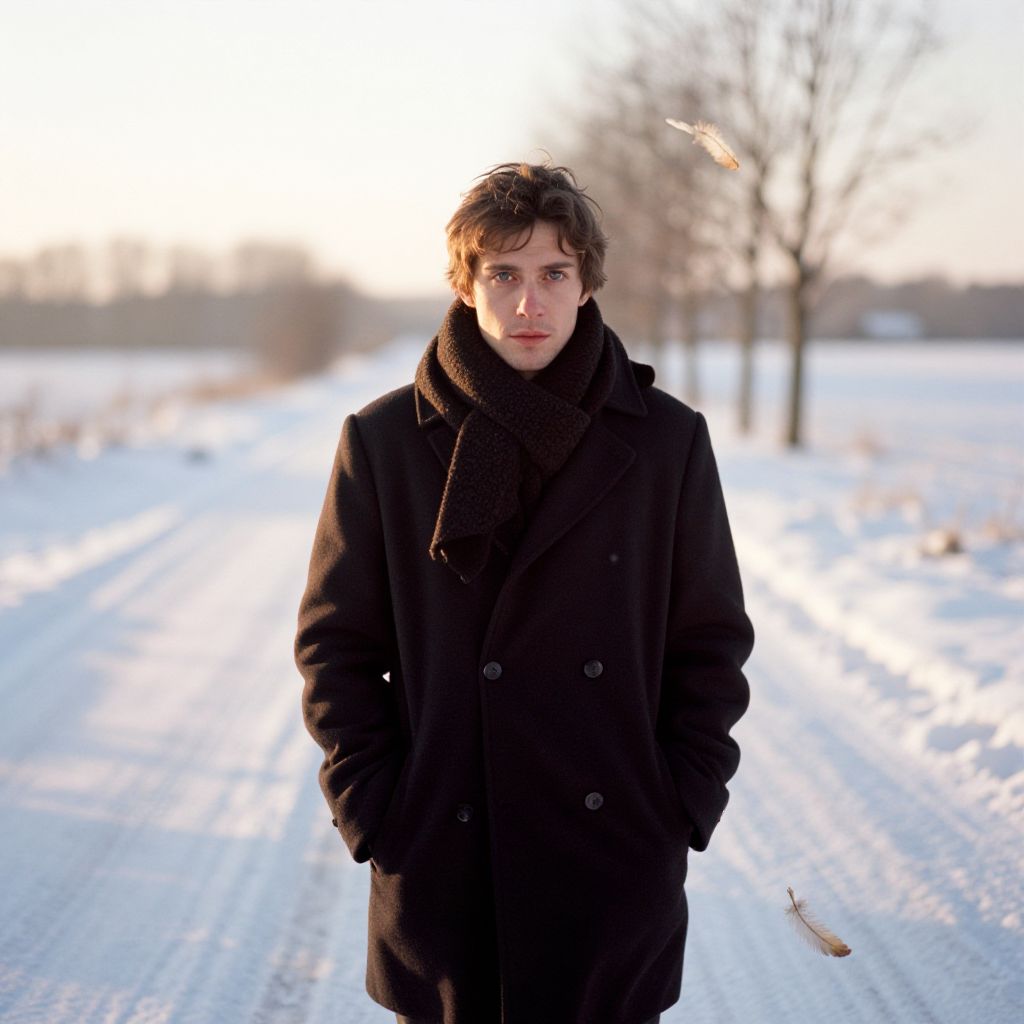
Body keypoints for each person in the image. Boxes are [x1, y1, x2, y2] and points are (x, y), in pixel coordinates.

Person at [295, 162, 754, 1024]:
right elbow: (337, 647)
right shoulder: (386, 442)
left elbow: (711, 644)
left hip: (612, 865)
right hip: (443, 867)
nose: (528, 303)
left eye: (554, 274)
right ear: (466, 286)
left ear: (587, 286)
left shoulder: (666, 444)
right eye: (502, 275)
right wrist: (377, 812)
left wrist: (680, 804)